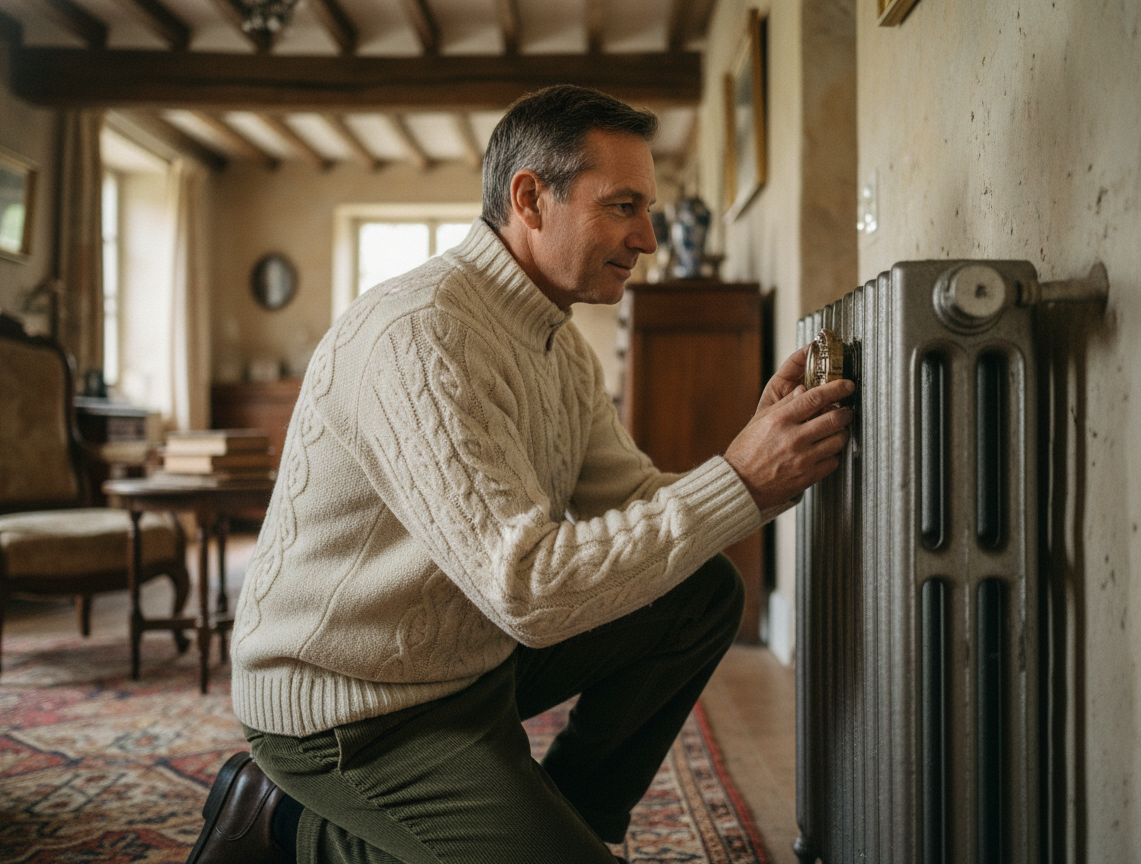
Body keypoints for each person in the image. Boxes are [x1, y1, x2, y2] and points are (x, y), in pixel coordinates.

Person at [186, 84, 854, 864]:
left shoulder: (555, 340)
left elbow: (635, 503)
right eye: (623, 205)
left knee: (700, 593)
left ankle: (566, 819)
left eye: (648, 209)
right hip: (349, 706)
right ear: (530, 198)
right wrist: (739, 480)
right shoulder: (422, 333)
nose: (647, 236)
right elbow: (525, 588)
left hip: (464, 662)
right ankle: (282, 826)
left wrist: (759, 457)